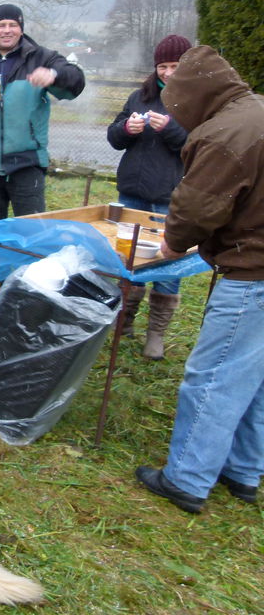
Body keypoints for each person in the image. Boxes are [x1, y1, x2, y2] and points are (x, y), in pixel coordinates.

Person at [135, 44, 264, 514]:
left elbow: (195, 207)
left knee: (214, 377)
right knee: (254, 378)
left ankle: (187, 478)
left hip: (252, 273)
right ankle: (243, 470)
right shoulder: (255, 111)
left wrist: (171, 245)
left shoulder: (226, 133)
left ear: (193, 95)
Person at [0, 4, 86, 220]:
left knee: (32, 229)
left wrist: (54, 75)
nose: (7, 30)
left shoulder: (41, 57)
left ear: (21, 29)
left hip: (27, 163)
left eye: (13, 25)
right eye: (1, 25)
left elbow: (76, 81)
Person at [106, 35, 191, 360]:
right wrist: (127, 129)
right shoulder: (139, 97)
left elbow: (196, 147)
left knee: (169, 261)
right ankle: (123, 321)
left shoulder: (197, 101)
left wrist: (169, 128)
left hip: (171, 197)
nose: (168, 72)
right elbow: (114, 137)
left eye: (175, 66)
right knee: (128, 257)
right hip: (132, 193)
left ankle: (156, 333)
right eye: (163, 66)